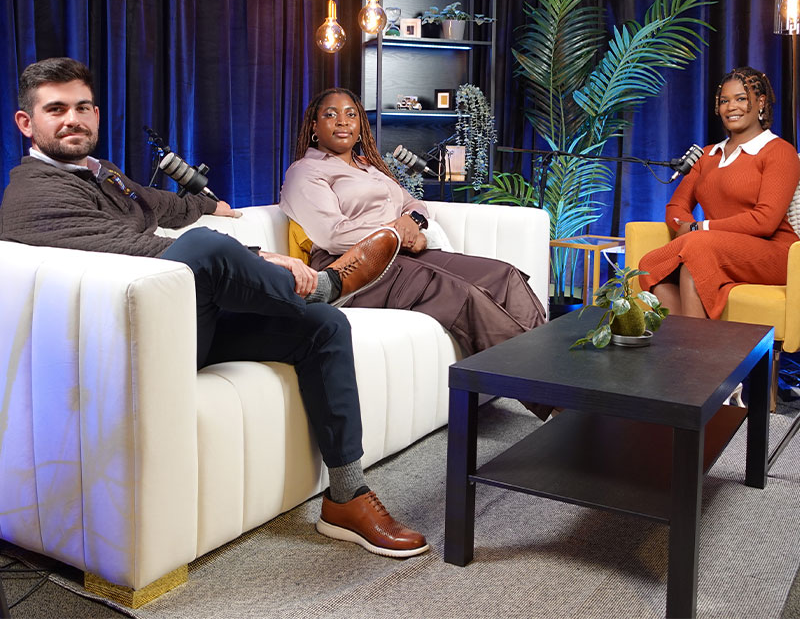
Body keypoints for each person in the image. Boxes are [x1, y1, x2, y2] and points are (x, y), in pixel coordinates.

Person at [0, 57, 428, 559]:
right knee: (204, 248)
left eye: (83, 107)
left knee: (323, 328)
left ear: (96, 113)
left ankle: (346, 497)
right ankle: (327, 284)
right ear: (27, 123)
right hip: (123, 343)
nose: (73, 119)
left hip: (177, 322)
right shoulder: (33, 193)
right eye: (56, 109)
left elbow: (154, 204)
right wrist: (257, 255)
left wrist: (209, 206)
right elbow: (127, 246)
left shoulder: (99, 172)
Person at [279, 87, 547, 361]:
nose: (342, 121)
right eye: (330, 115)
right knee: (463, 294)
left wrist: (412, 222)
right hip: (353, 269)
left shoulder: (369, 167)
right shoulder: (304, 172)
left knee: (505, 276)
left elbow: (414, 204)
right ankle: (542, 391)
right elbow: (333, 236)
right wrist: (400, 234)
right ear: (314, 126)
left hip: (402, 255)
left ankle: (553, 368)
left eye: (351, 114)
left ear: (360, 125)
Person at [639, 66, 800, 319]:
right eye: (724, 101)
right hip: (715, 248)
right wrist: (692, 230)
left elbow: (766, 221)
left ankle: (697, 355)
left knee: (697, 248)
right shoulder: (707, 155)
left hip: (776, 254)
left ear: (760, 102)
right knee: (651, 265)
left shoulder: (779, 151)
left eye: (741, 98)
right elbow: (675, 208)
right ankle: (689, 347)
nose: (731, 107)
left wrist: (699, 228)